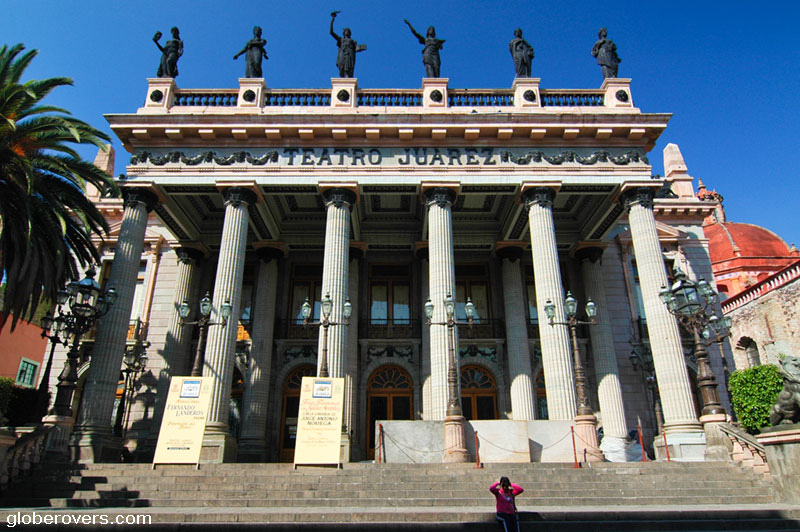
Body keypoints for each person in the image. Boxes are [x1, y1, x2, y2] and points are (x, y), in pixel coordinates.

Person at [330, 12, 366, 78]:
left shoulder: (352, 41)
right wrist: (332, 20)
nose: (347, 32)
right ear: (343, 33)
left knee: (349, 67)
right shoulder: (341, 39)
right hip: (342, 53)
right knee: (342, 65)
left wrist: (361, 47)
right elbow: (331, 32)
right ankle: (342, 76)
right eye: (346, 31)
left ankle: (347, 76)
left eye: (348, 31)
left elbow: (356, 48)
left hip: (350, 54)